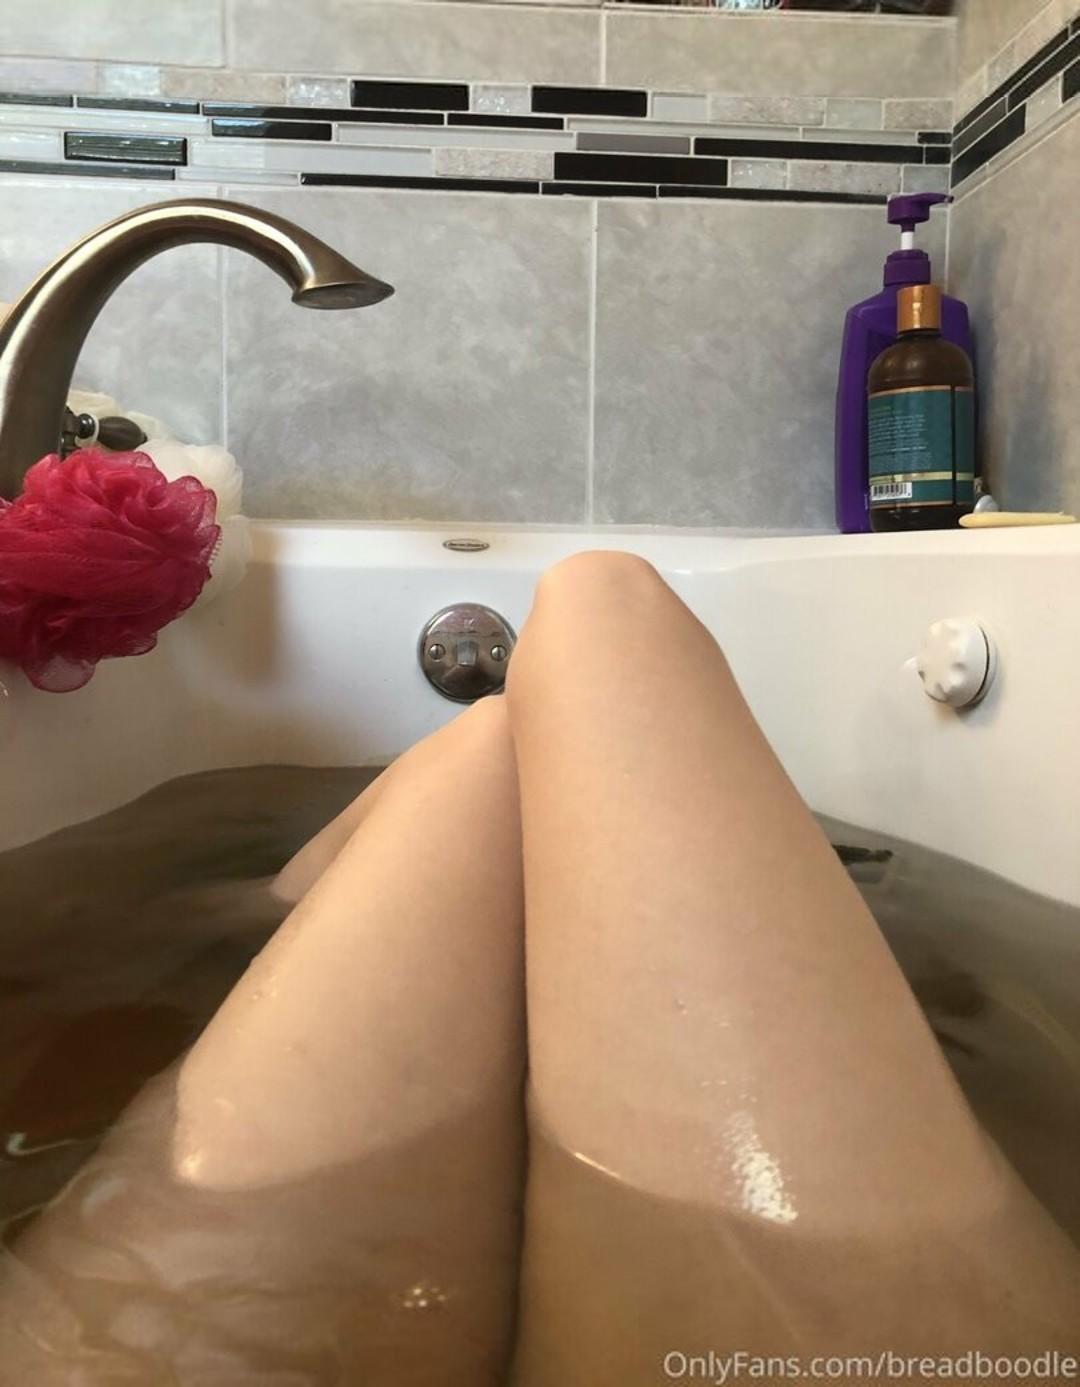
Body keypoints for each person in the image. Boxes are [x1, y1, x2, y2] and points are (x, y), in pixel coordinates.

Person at [1, 551, 1077, 1384]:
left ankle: (263, 917)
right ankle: (286, 917)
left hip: (137, 1330)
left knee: (491, 744)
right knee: (600, 606)